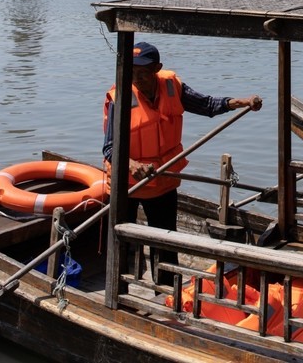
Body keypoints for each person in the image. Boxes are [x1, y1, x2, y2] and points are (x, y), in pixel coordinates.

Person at [102, 41, 263, 285]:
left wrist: (242, 102)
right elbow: (110, 148)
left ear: (157, 68)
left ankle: (167, 293)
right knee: (123, 241)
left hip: (163, 182)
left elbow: (207, 104)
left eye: (143, 72)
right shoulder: (120, 96)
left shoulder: (171, 86)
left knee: (166, 242)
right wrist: (133, 165)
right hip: (127, 185)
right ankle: (119, 291)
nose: (137, 78)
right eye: (132, 71)